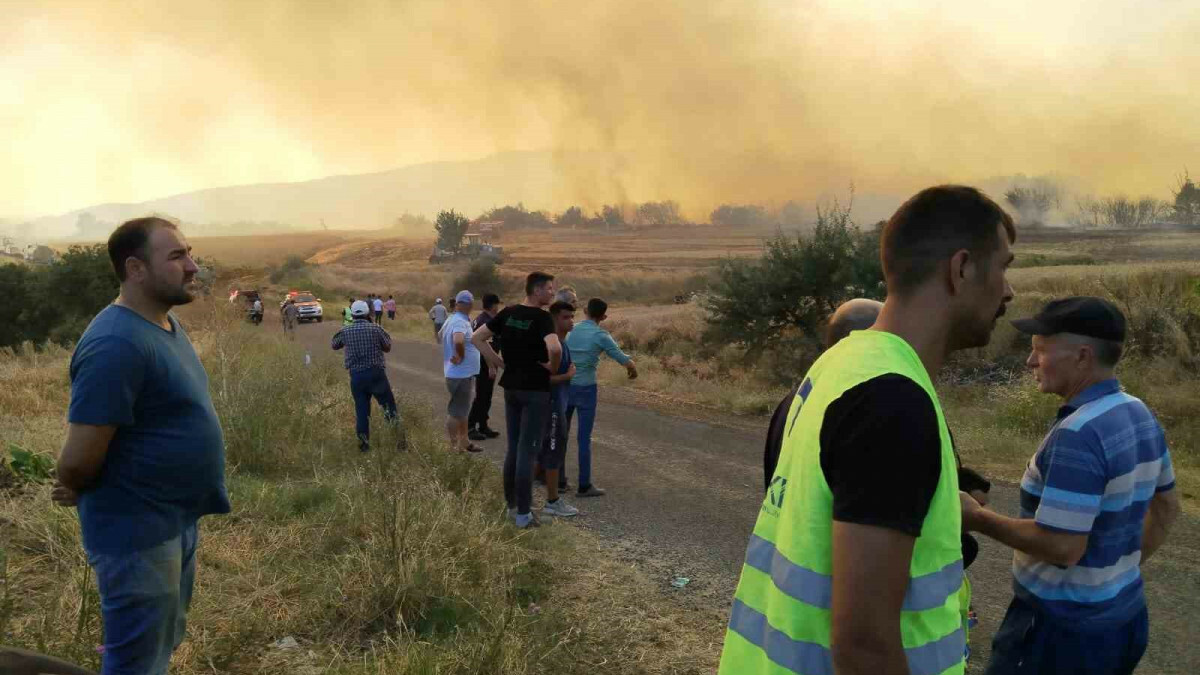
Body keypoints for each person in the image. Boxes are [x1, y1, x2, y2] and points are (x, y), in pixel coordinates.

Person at [718, 185, 1016, 675]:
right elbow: (865, 647)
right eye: (1005, 265)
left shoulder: (843, 364)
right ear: (961, 268)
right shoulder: (892, 402)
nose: (1008, 289)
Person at [962, 297, 1181, 675]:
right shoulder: (1137, 411)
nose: (1030, 362)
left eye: (1040, 351)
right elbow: (1167, 507)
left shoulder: (1078, 434)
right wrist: (1112, 575)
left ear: (1082, 357)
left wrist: (978, 518)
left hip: (1059, 632)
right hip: (1123, 618)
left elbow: (1062, 546)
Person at [50, 217, 230, 675]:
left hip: (171, 522)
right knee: (136, 663)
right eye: (176, 256)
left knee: (156, 648)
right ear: (135, 269)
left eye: (189, 252)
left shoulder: (163, 325)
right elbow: (79, 456)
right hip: (136, 535)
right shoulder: (116, 343)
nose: (192, 266)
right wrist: (71, 482)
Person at [471, 272, 561, 529]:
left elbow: (477, 337)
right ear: (536, 290)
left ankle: (512, 507)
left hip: (511, 388)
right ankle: (523, 515)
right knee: (528, 451)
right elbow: (555, 349)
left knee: (514, 448)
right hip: (535, 390)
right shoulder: (543, 318)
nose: (552, 293)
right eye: (549, 289)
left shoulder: (508, 312)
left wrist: (499, 363)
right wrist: (552, 369)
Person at [562, 297, 637, 497]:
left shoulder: (571, 329)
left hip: (566, 386)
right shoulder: (601, 335)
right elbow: (622, 358)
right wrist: (632, 370)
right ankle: (584, 485)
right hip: (586, 388)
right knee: (583, 438)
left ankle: (559, 479)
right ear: (604, 316)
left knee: (561, 434)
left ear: (585, 310)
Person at [331, 300, 400, 452]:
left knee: (362, 411)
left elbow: (334, 344)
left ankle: (364, 446)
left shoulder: (346, 331)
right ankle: (399, 443)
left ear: (353, 314)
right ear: (368, 313)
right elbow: (387, 346)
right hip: (376, 374)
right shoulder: (375, 328)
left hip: (357, 376)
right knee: (389, 409)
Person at [536, 301, 579, 517]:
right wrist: (567, 376)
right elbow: (542, 380)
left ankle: (523, 493)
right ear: (554, 318)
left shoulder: (563, 342)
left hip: (558, 404)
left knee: (545, 451)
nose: (571, 321)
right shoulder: (552, 346)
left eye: (572, 316)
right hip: (551, 406)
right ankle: (552, 502)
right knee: (553, 452)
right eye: (565, 317)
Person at [442, 290, 484, 454]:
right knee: (455, 412)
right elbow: (458, 340)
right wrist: (459, 355)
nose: (471, 304)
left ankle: (464, 442)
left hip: (461, 373)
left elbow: (440, 337)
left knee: (462, 410)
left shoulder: (453, 319)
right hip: (460, 374)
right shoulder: (459, 321)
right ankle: (453, 448)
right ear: (465, 304)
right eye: (470, 302)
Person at [468, 293, 504, 441]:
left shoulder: (480, 318)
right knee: (482, 395)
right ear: (494, 305)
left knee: (486, 395)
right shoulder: (486, 321)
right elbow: (486, 346)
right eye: (498, 304)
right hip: (484, 364)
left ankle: (483, 424)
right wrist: (491, 365)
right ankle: (470, 427)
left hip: (482, 363)